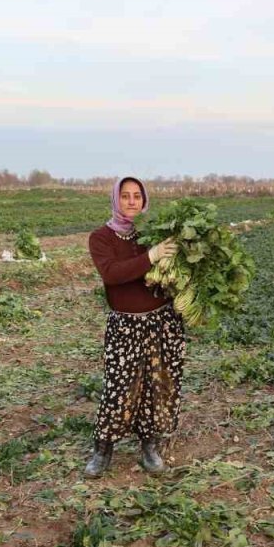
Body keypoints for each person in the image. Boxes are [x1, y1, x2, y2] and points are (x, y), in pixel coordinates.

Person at [84, 177, 183, 477]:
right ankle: (103, 450)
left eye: (136, 196)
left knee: (158, 387)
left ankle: (149, 447)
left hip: (161, 323)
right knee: (119, 387)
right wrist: (150, 257)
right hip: (125, 326)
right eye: (125, 196)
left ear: (144, 200)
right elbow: (112, 274)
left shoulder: (152, 233)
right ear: (115, 199)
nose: (131, 201)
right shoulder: (101, 237)